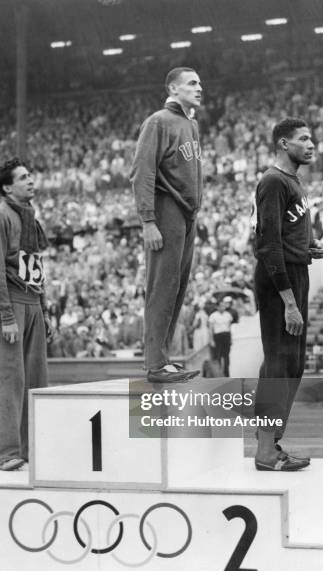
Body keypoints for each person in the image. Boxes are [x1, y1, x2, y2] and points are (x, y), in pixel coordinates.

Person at [253, 117, 323, 471]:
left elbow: (284, 235)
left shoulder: (292, 181)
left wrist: (306, 247)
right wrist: (289, 303)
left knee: (294, 365)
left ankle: (273, 441)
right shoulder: (272, 181)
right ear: (284, 144)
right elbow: (267, 245)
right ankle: (265, 451)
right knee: (279, 364)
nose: (311, 144)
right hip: (277, 284)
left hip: (296, 273)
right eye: (304, 138)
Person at [130, 67, 203, 383]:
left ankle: (164, 357)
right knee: (162, 287)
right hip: (166, 209)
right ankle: (154, 362)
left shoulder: (191, 124)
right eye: (191, 83)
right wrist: (148, 220)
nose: (199, 87)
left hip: (188, 214)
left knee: (177, 287)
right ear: (173, 88)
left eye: (199, 82)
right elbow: (142, 172)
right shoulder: (158, 121)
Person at [0, 158, 50, 471]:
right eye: (23, 177)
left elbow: (37, 266)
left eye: (31, 175)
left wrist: (44, 310)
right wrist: (7, 315)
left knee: (35, 381)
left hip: (33, 304)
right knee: (7, 379)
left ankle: (30, 448)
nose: (31, 180)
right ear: (8, 187)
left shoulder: (32, 218)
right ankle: (4, 453)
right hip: (12, 303)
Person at [208, 301, 233, 377]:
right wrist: (211, 340)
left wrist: (231, 338)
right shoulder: (213, 316)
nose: (223, 307)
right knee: (218, 355)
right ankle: (218, 373)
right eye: (221, 306)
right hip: (218, 336)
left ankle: (227, 372)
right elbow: (210, 329)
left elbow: (230, 327)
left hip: (226, 335)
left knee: (227, 355)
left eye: (224, 306)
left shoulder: (228, 315)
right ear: (217, 307)